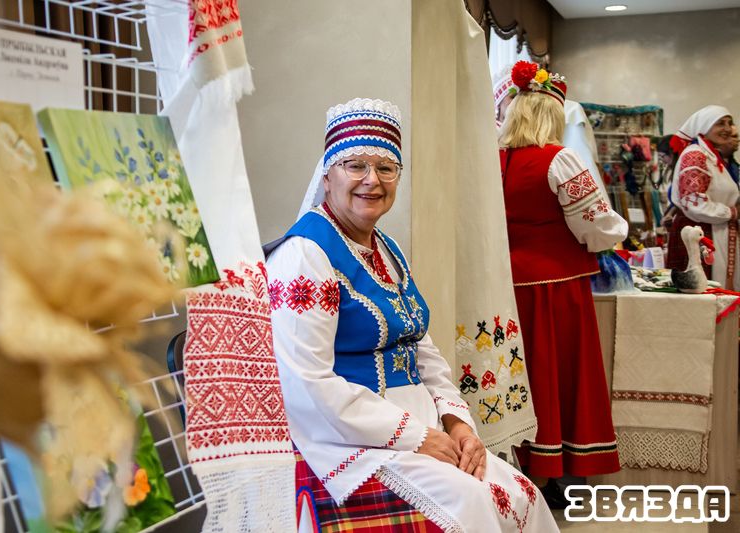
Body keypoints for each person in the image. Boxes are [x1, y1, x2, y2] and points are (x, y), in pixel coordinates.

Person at [267, 98, 558, 532]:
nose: (372, 180)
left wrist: (459, 426)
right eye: (355, 165)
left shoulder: (387, 249)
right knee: (471, 502)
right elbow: (306, 383)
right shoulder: (304, 256)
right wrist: (417, 437)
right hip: (349, 441)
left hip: (422, 428)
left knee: (521, 493)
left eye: (386, 168)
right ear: (327, 176)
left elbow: (423, 350)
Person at [498, 62, 628, 502]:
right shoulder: (560, 160)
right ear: (551, 115)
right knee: (559, 372)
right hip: (557, 286)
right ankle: (556, 471)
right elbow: (597, 227)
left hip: (507, 286)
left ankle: (519, 462)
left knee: (521, 373)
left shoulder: (493, 160)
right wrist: (618, 231)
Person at [667, 106, 738, 289]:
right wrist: (732, 212)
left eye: (729, 123)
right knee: (701, 291)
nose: (728, 129)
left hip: (714, 230)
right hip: (699, 233)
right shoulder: (696, 155)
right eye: (720, 123)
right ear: (704, 126)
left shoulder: (712, 157)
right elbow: (693, 202)